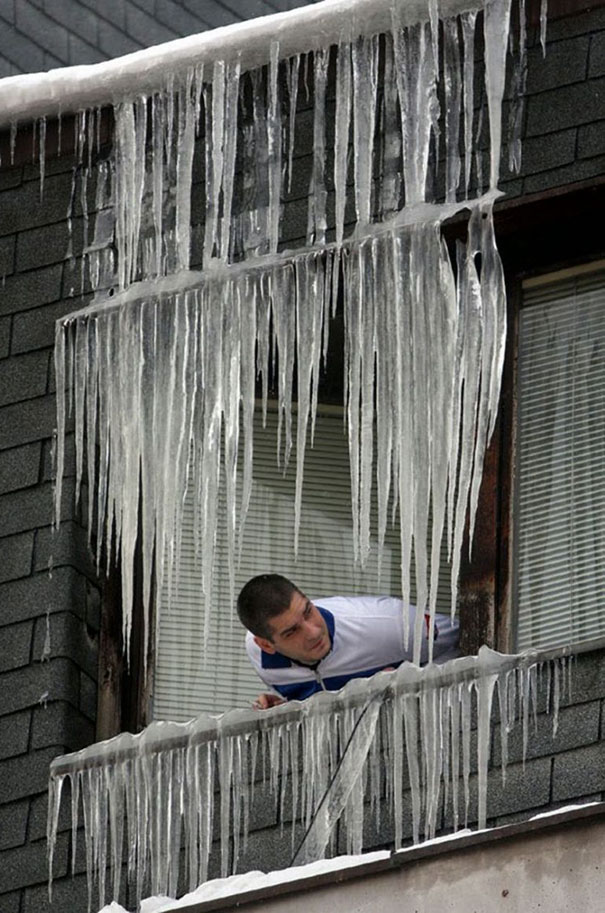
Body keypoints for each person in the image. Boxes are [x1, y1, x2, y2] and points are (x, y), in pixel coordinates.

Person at [237, 573, 460, 709]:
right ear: (266, 645)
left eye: (308, 611)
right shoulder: (259, 656)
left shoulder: (391, 624)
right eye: (292, 631)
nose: (313, 632)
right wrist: (289, 709)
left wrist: (413, 682)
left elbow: (467, 642)